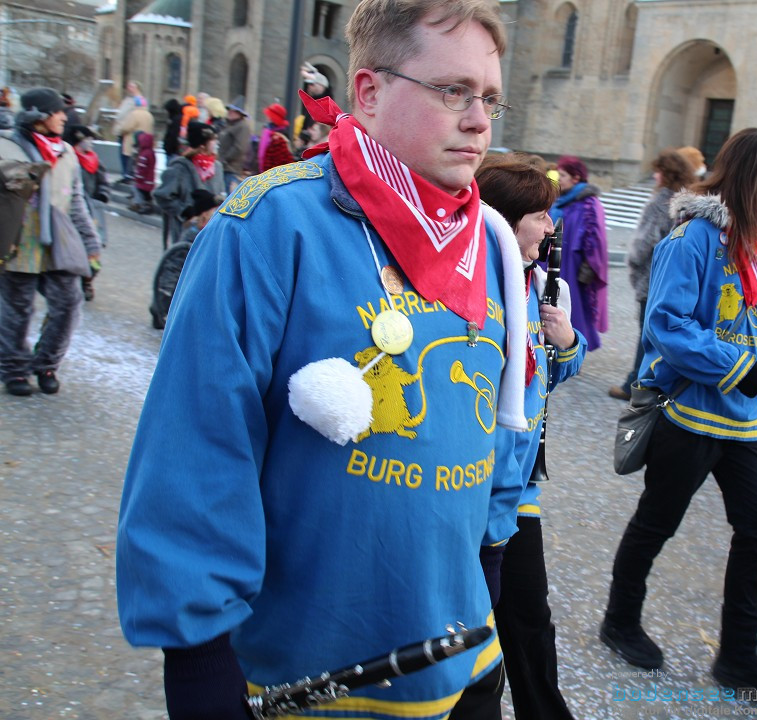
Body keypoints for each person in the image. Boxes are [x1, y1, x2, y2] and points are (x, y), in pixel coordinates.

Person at [116, 2, 527, 719]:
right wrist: (199, 664)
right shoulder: (268, 227)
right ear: (367, 93)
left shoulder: (488, 241)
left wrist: (489, 558)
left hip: (462, 653)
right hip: (313, 674)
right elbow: (196, 452)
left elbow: (506, 413)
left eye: (489, 97)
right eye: (453, 91)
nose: (479, 120)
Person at [599, 128, 757, 695]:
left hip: (746, 418)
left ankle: (737, 657)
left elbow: (751, 327)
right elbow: (667, 325)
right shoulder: (693, 239)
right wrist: (736, 365)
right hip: (688, 414)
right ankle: (620, 621)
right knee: (657, 522)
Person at [475, 156, 584, 720]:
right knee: (475, 623)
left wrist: (566, 344)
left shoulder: (539, 283)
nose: (550, 228)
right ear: (505, 219)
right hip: (469, 487)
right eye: (540, 216)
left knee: (529, 615)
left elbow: (550, 375)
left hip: (519, 487)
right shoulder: (475, 286)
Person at [0, 87, 101, 396]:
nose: (63, 117)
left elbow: (77, 202)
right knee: (17, 308)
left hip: (59, 237)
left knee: (69, 303)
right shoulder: (8, 145)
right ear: (39, 116)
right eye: (57, 111)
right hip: (19, 238)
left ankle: (46, 363)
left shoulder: (66, 152)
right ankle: (14, 370)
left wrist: (91, 244)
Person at [609, 148, 695, 400]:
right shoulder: (688, 200)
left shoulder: (662, 202)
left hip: (654, 276)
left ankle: (635, 384)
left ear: (665, 174)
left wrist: (633, 262)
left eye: (658, 171)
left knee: (647, 333)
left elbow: (644, 241)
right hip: (676, 278)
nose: (655, 176)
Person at [550, 155, 608, 349]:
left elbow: (596, 239)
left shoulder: (589, 204)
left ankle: (573, 347)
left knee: (573, 309)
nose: (559, 179)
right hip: (552, 262)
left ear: (576, 178)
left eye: (563, 175)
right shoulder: (558, 200)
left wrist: (588, 269)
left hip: (573, 268)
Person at [153, 121, 223, 249]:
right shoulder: (180, 167)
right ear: (202, 145)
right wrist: (185, 211)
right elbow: (162, 196)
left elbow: (221, 194)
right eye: (213, 140)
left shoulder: (217, 167)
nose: (216, 144)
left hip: (212, 230)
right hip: (186, 232)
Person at [64, 124, 109, 300]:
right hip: (72, 212)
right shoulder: (68, 160)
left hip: (91, 211)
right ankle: (75, 282)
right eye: (87, 140)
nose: (90, 144)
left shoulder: (95, 161)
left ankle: (88, 281)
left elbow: (103, 182)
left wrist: (101, 195)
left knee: (93, 251)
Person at [218, 96, 253, 192]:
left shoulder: (242, 127)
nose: (230, 112)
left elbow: (239, 147)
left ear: (239, 113)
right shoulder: (229, 124)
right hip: (224, 167)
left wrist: (225, 159)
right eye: (230, 110)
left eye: (233, 111)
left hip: (231, 168)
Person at [258, 102, 295, 173]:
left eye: (269, 115)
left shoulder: (278, 137)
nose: (266, 117)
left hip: (272, 175)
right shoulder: (268, 133)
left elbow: (281, 162)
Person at [129, 130, 157, 214]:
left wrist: (138, 177)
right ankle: (146, 206)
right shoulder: (151, 153)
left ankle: (140, 205)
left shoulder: (144, 154)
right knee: (146, 194)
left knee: (140, 192)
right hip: (149, 179)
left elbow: (142, 168)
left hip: (144, 180)